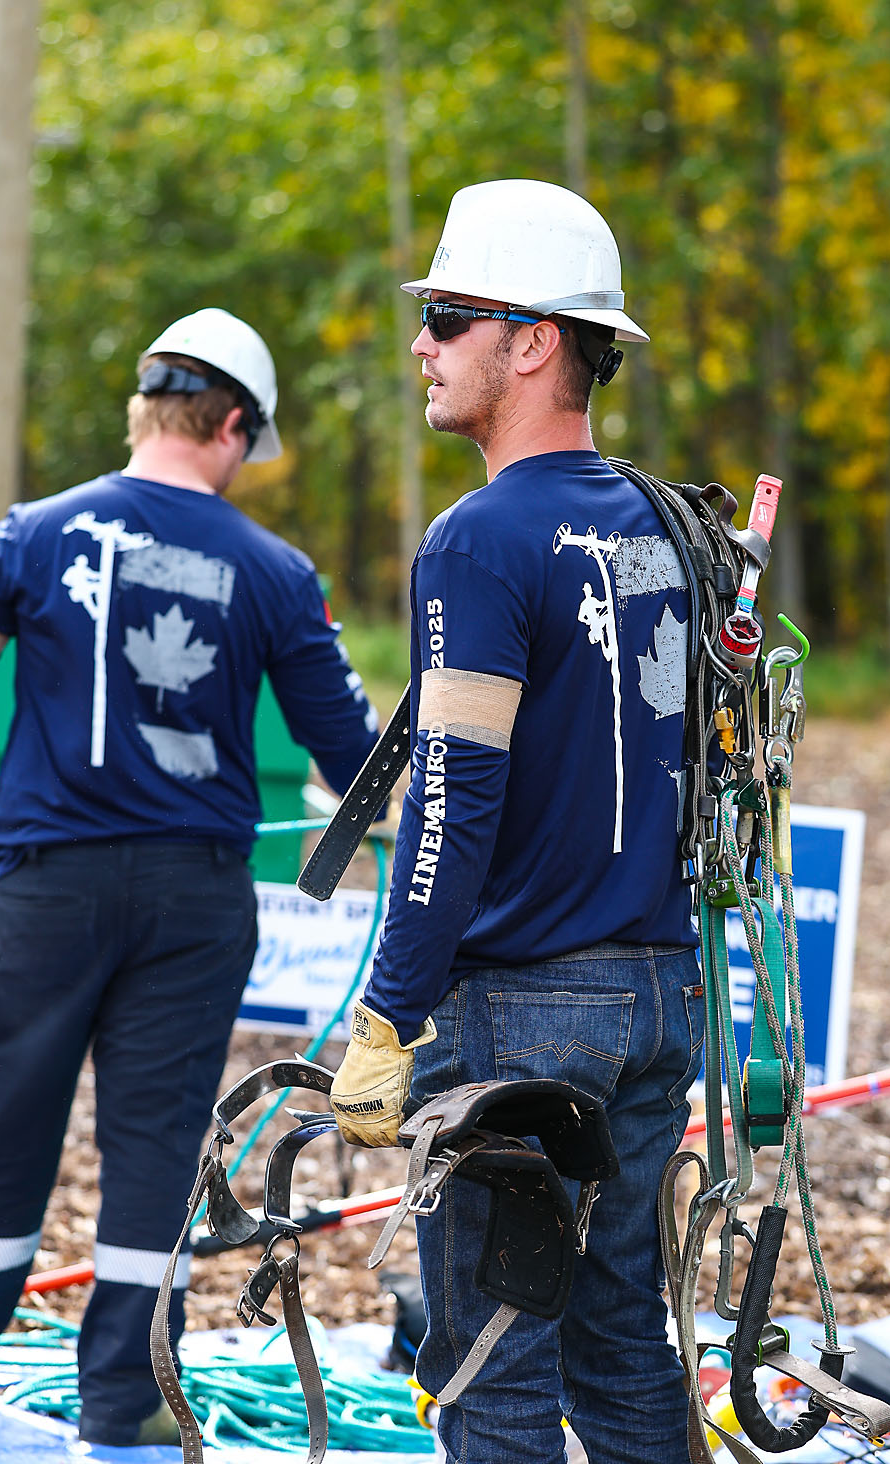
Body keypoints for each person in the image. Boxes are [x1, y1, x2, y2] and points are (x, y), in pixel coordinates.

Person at [0, 308, 380, 1446]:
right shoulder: (275, 570)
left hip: (43, 888)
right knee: (158, 1142)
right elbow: (351, 750)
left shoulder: (34, 532)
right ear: (230, 426)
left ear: (138, 412)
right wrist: (341, 806)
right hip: (193, 899)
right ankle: (125, 1397)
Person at [329, 181, 703, 1464]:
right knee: (619, 1341)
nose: (421, 344)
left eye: (446, 315)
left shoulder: (478, 538)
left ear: (534, 338)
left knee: (487, 1357)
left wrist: (389, 1009)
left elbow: (450, 799)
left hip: (525, 1018)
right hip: (659, 999)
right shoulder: (665, 527)